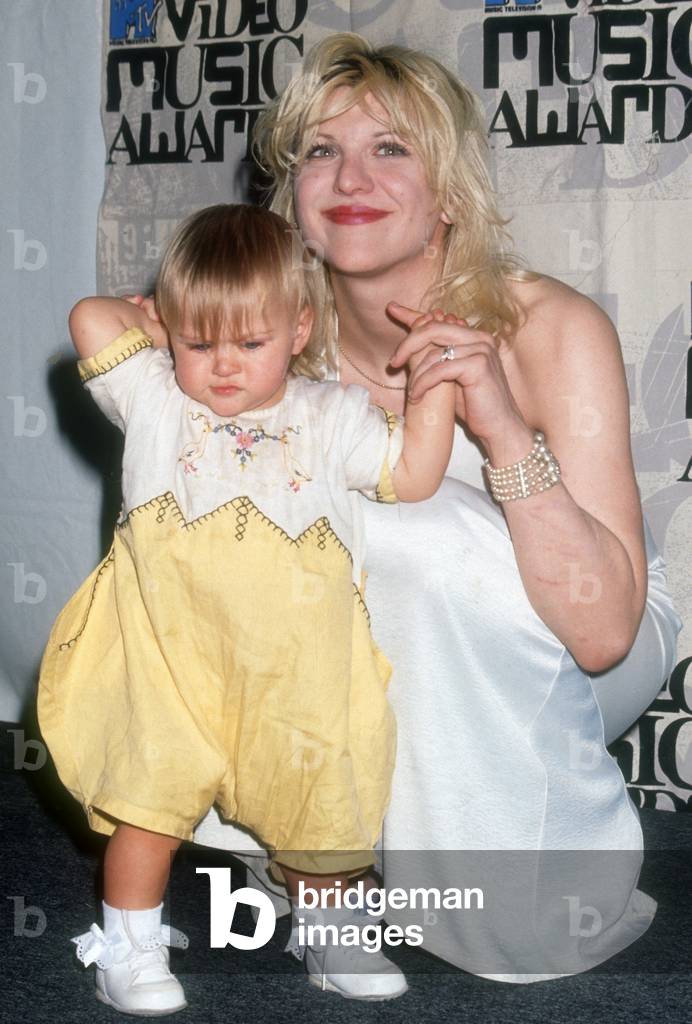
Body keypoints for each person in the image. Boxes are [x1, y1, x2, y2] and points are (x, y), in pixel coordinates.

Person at [190, 33, 682, 981]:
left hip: (579, 622)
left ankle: (505, 877)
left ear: (449, 190)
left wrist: (501, 430)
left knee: (407, 528)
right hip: (377, 632)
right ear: (292, 193)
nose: (348, 177)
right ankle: (316, 844)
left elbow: (604, 632)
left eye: (391, 149)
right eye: (320, 152)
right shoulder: (270, 340)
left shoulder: (548, 328)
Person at [38, 203, 458, 1014]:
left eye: (251, 341)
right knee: (146, 809)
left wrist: (434, 381)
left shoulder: (330, 415)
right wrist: (160, 317)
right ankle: (129, 948)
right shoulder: (156, 402)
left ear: (301, 327)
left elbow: (413, 474)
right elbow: (88, 319)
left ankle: (331, 932)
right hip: (170, 664)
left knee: (321, 813)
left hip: (297, 677)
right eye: (201, 343)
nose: (223, 365)